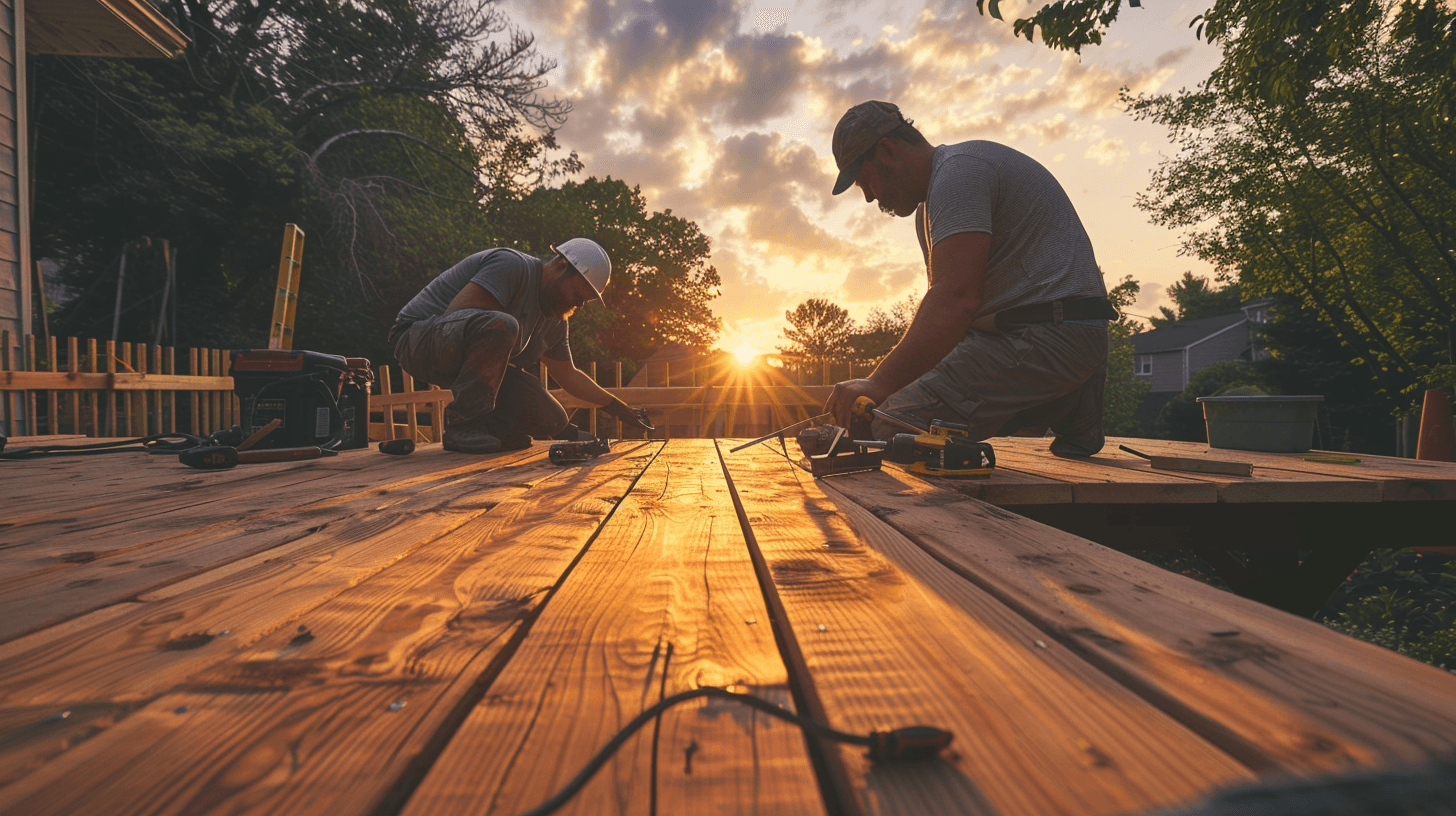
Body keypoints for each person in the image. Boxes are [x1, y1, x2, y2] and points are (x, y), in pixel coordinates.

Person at [824, 101, 1117, 457]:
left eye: (863, 179)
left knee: (891, 425)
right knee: (902, 403)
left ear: (887, 150)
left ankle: (1062, 393)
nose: (869, 196)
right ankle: (1070, 404)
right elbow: (948, 326)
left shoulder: (958, 176)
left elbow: (956, 302)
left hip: (1043, 335)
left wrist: (879, 384)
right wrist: (891, 383)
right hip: (1073, 333)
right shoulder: (929, 209)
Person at [390, 239, 653, 453]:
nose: (578, 305)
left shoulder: (554, 319)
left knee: (551, 418)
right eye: (576, 294)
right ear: (561, 265)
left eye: (584, 302)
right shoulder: (512, 266)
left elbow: (569, 376)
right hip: (417, 339)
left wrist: (618, 408)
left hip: (461, 352)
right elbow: (459, 314)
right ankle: (464, 425)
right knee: (503, 325)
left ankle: (492, 429)